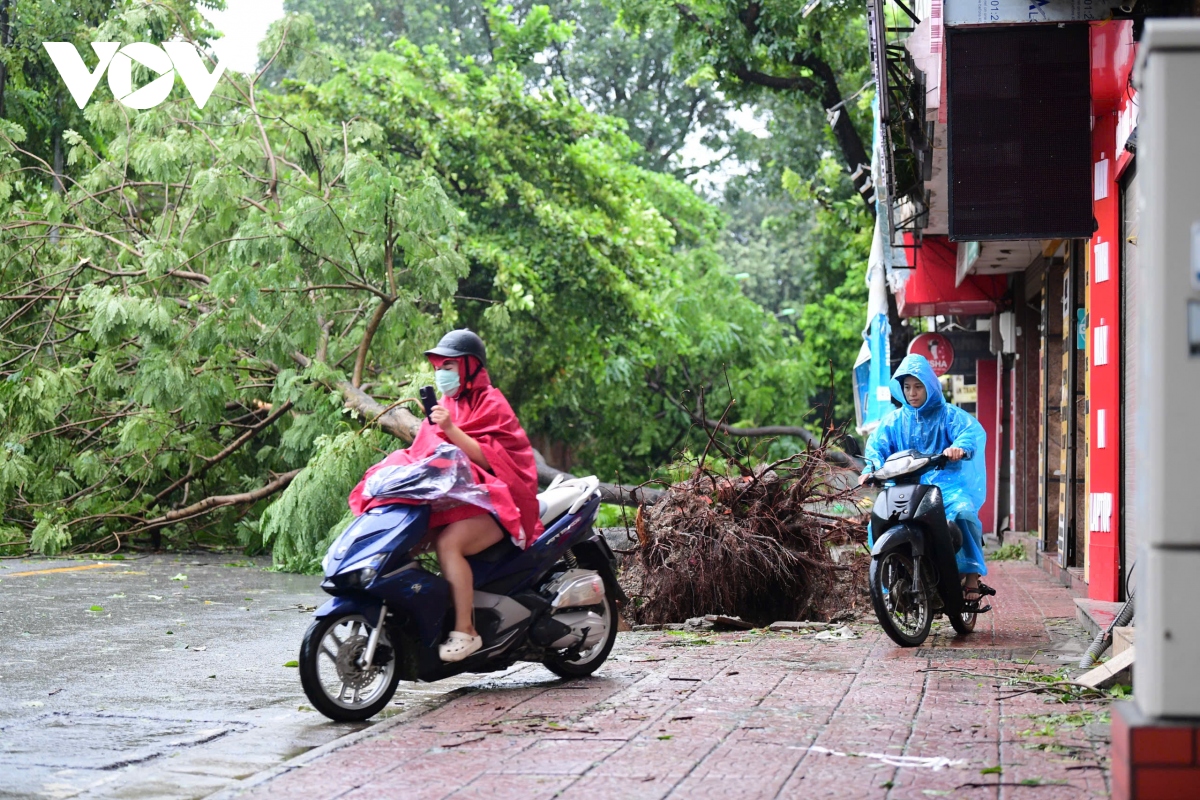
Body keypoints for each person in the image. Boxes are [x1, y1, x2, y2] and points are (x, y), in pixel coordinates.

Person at [347, 330, 542, 662]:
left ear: (469, 367)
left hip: (500, 501)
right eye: (440, 365)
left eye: (449, 365)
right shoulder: (446, 404)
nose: (443, 373)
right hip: (466, 499)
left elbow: (492, 461)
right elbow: (423, 453)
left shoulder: (491, 403)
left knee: (448, 544)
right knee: (414, 535)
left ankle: (467, 631)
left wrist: (451, 429)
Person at [858, 354, 990, 600]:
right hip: (905, 486)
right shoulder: (894, 421)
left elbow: (968, 433)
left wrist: (958, 448)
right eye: (907, 387)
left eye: (918, 386)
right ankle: (891, 577)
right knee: (877, 522)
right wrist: (870, 470)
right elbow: (876, 448)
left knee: (963, 512)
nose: (912, 393)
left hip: (946, 486)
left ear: (930, 386)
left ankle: (971, 575)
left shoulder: (948, 415)